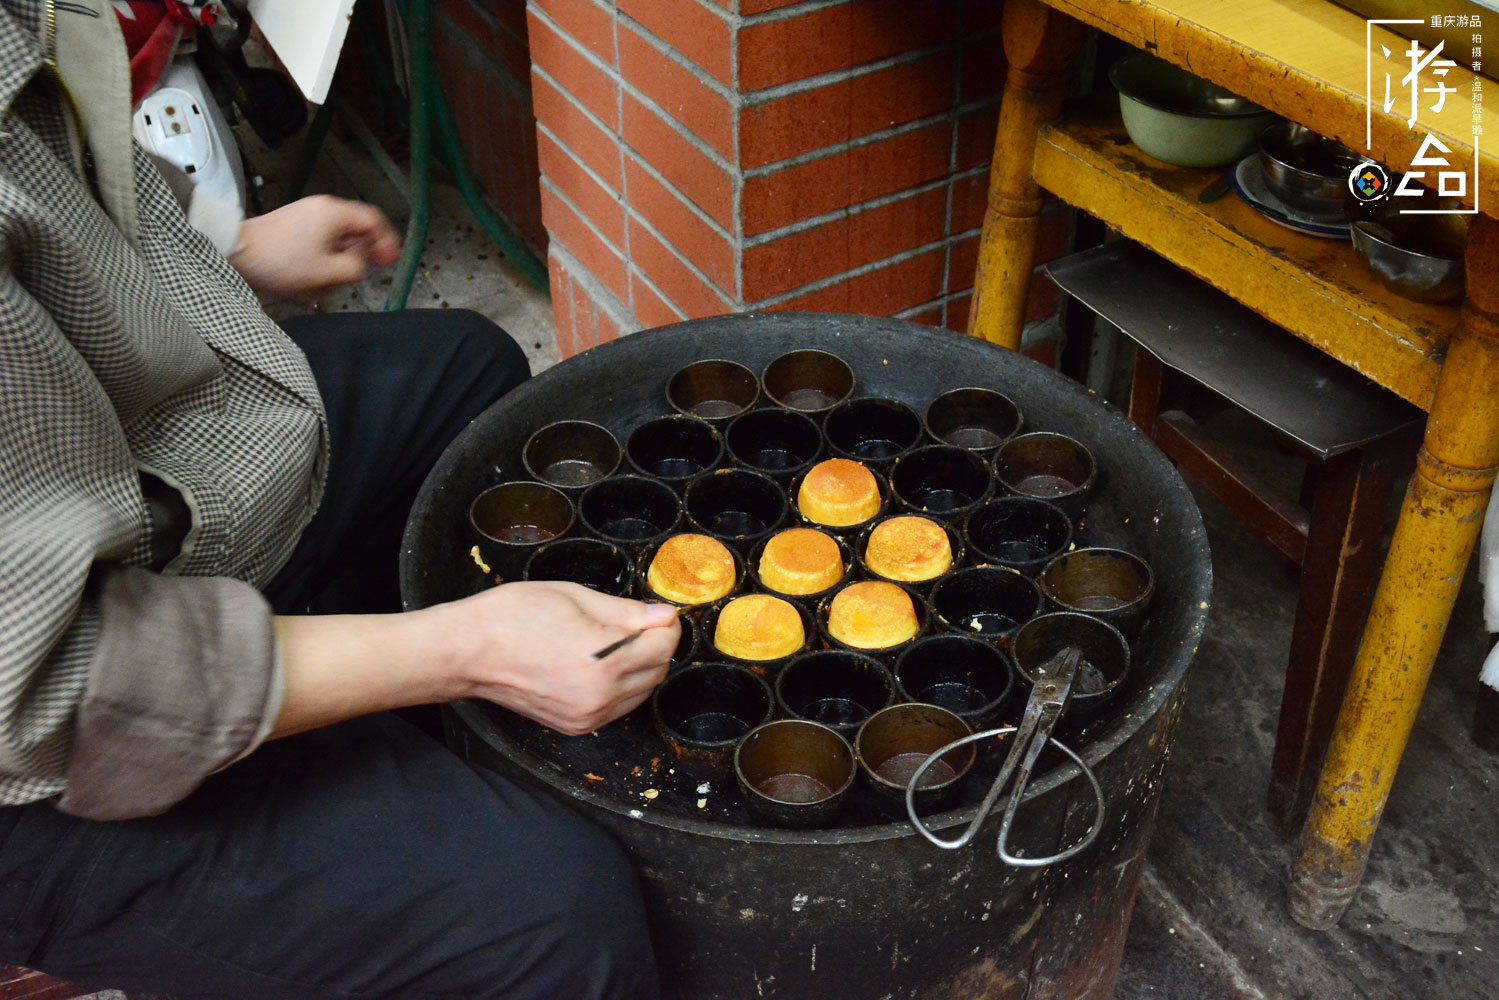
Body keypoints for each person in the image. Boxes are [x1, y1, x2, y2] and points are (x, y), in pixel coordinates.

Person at [0, 2, 674, 997]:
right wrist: (461, 647)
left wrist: (221, 249)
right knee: (554, 917)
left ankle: (389, 773)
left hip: (118, 482)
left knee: (466, 375)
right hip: (48, 755)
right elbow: (60, 683)